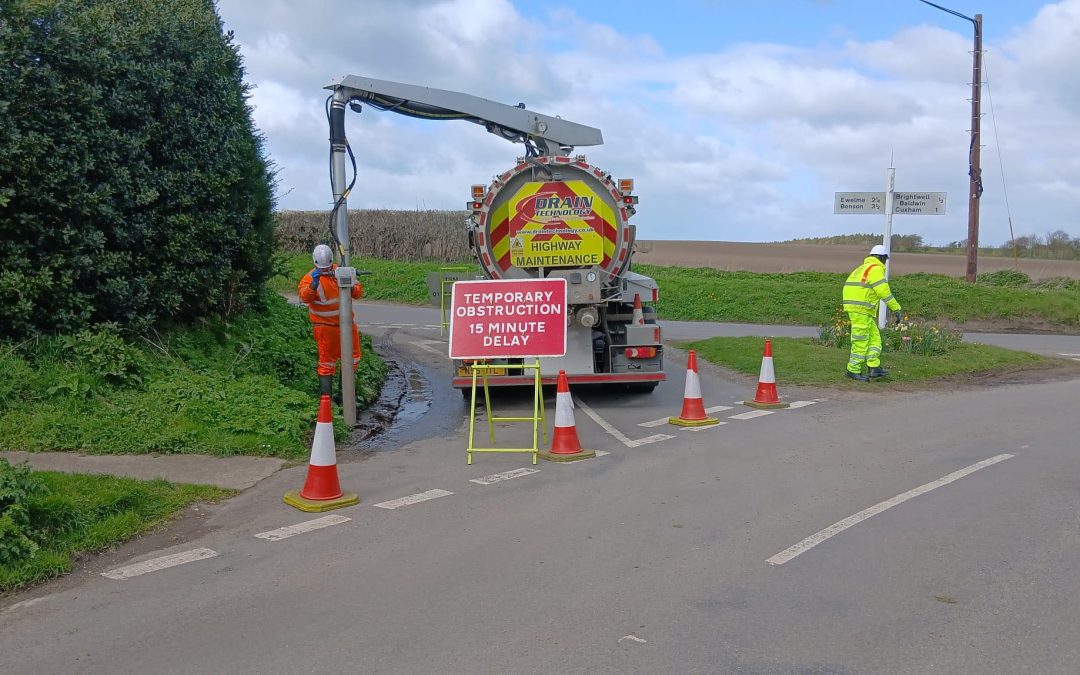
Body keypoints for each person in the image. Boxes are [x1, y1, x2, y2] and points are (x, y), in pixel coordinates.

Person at [298, 244, 363, 397]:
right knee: (327, 362)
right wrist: (313, 285)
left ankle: (345, 396)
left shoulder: (341, 271)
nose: (325, 271)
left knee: (352, 359)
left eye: (327, 268)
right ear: (315, 263)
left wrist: (350, 284)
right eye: (322, 269)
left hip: (347, 324)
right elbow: (305, 297)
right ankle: (327, 399)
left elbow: (357, 292)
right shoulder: (309, 278)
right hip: (324, 327)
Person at [842, 244, 902, 382]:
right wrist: (896, 308)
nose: (885, 262)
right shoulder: (875, 269)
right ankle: (853, 370)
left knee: (874, 339)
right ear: (882, 258)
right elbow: (883, 291)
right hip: (861, 309)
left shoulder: (862, 268)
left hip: (859, 309)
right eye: (885, 259)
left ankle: (874, 367)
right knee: (860, 340)